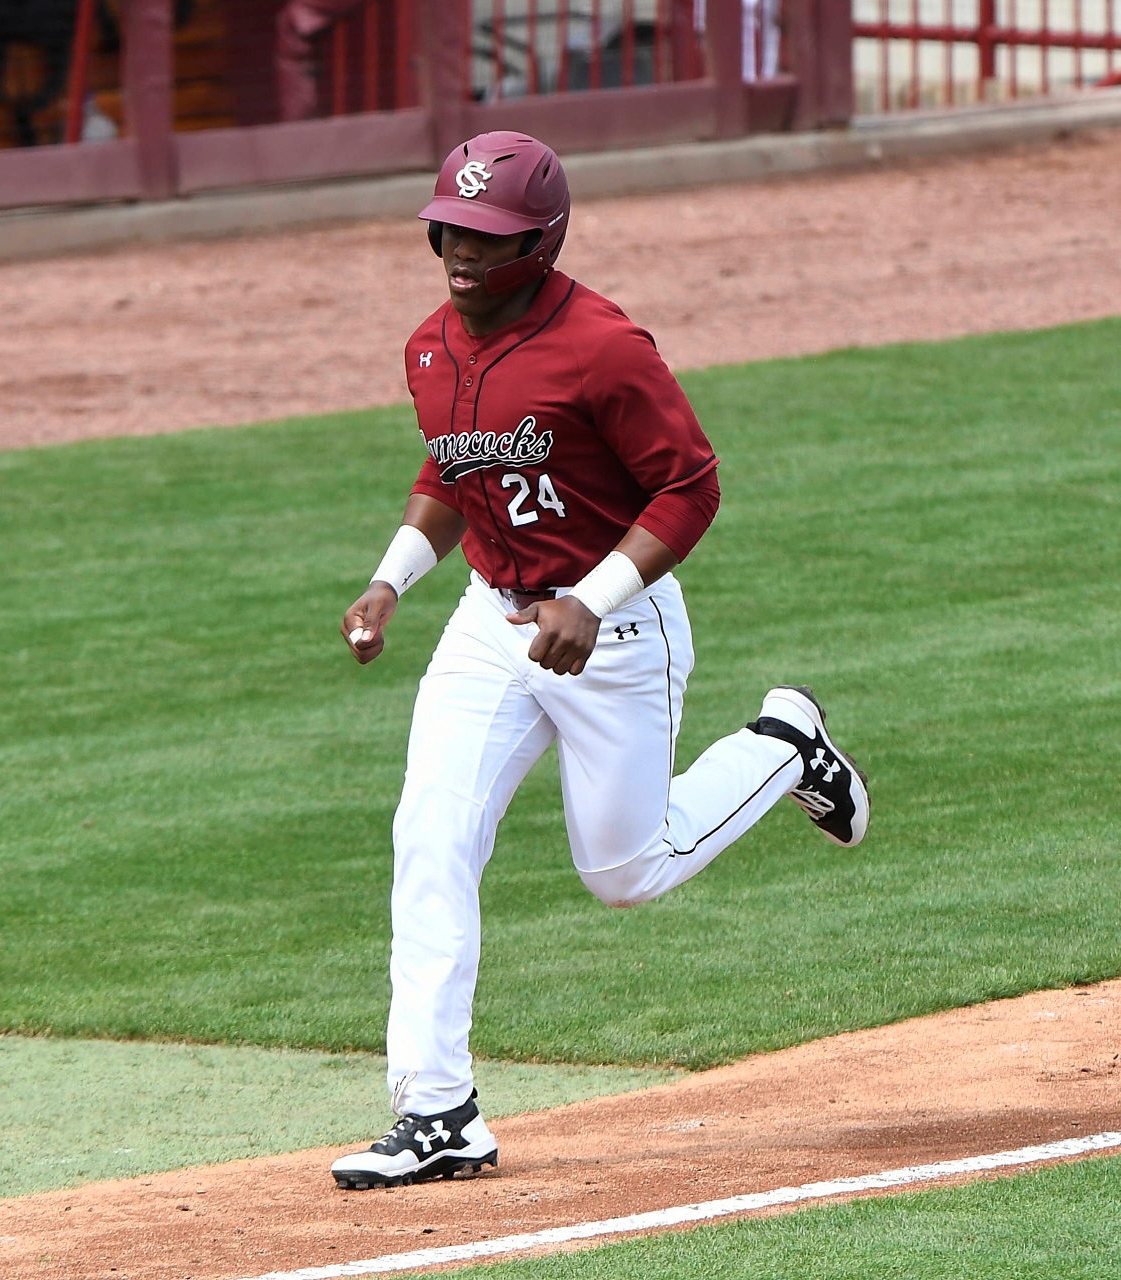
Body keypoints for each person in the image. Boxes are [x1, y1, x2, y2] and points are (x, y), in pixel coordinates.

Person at [330, 131, 869, 1190]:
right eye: (451, 230)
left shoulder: (602, 346)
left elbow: (690, 487)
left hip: (615, 633)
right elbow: (452, 473)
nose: (462, 252)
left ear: (541, 242)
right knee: (430, 837)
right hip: (488, 625)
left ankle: (785, 743)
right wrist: (390, 579)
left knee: (624, 871)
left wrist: (592, 597)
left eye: (488, 237)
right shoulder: (430, 347)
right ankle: (437, 1111)